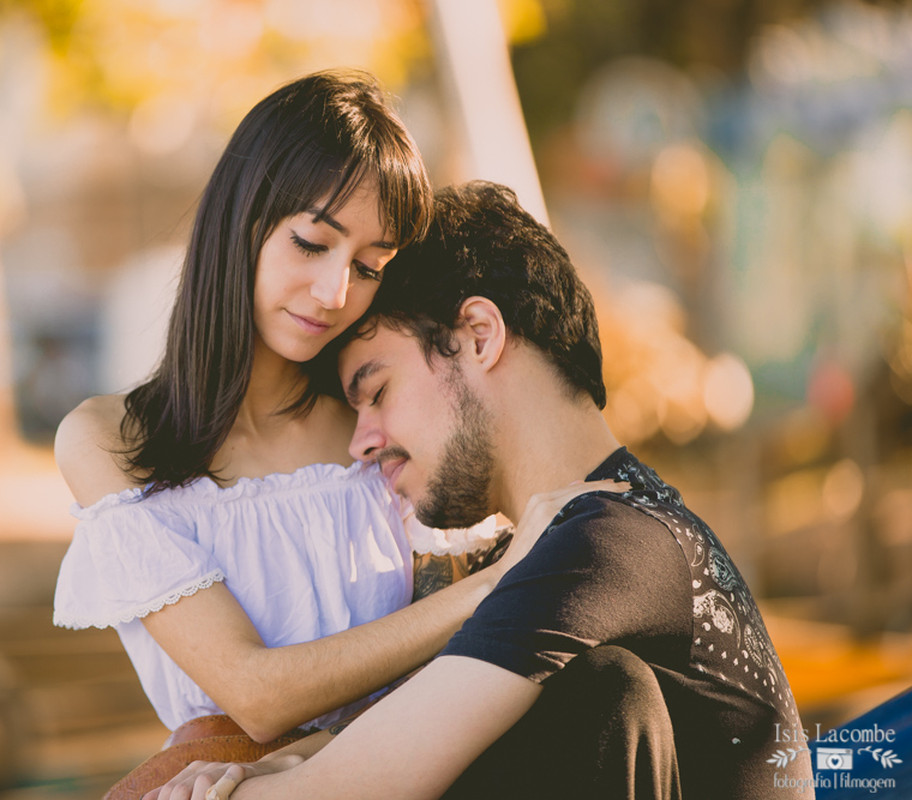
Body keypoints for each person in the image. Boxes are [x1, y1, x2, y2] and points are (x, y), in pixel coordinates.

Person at [152, 180, 813, 800]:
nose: (361, 442)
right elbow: (385, 737)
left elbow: (357, 786)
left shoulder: (608, 540)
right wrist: (267, 764)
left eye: (376, 392)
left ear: (478, 336)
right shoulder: (591, 531)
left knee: (599, 694)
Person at [51, 71, 613, 782]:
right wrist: (505, 583)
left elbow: (441, 681)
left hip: (400, 769)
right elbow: (256, 697)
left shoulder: (377, 427)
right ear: (241, 220)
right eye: (313, 244)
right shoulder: (111, 440)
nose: (335, 293)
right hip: (218, 785)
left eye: (370, 266)